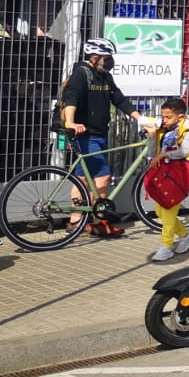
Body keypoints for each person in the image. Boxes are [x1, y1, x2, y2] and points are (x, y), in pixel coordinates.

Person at [58, 37, 147, 236]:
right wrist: (70, 122)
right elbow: (71, 97)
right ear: (95, 56)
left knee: (83, 178)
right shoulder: (81, 73)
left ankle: (76, 221)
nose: (110, 61)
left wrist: (139, 119)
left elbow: (119, 99)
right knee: (103, 177)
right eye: (107, 57)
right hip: (85, 135)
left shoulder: (104, 76)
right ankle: (100, 221)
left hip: (99, 134)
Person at [144, 96, 189, 262]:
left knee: (168, 209)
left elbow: (185, 151)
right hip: (165, 172)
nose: (165, 120)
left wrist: (165, 154)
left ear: (181, 117)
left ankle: (166, 246)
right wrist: (152, 136)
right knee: (159, 211)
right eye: (163, 116)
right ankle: (186, 234)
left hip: (180, 173)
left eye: (168, 117)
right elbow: (151, 154)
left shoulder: (188, 128)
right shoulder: (163, 128)